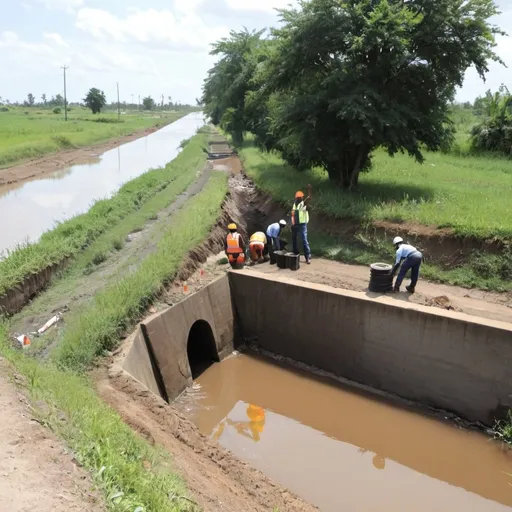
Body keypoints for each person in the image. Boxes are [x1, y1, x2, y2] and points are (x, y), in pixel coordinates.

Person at [291, 186, 312, 264]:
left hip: (302, 225)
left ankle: (307, 257)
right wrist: (293, 224)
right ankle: (295, 253)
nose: (299, 199)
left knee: (304, 240)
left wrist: (309, 189)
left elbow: (309, 197)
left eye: (300, 198)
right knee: (294, 239)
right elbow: (293, 215)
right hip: (295, 224)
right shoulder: (294, 205)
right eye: (298, 198)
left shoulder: (303, 204)